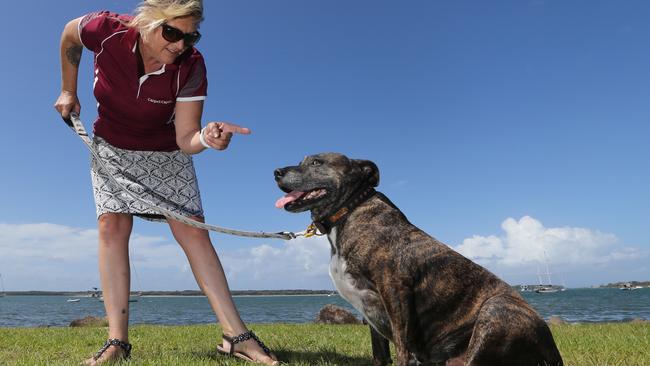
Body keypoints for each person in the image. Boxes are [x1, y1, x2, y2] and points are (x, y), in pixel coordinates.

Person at [54, 1, 279, 365]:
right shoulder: (105, 29)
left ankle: (236, 336)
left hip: (166, 150)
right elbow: (69, 34)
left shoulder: (192, 65)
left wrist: (206, 137)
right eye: (172, 33)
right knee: (112, 227)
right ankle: (117, 342)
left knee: (193, 233)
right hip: (112, 144)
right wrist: (68, 89)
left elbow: (185, 139)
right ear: (147, 22)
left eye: (190, 37)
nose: (180, 45)